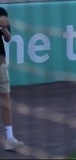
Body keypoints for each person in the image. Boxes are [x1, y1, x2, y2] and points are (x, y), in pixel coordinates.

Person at [0, 7, 24, 151]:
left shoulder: (2, 12)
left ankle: (10, 138)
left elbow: (8, 39)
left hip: (1, 66)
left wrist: (4, 28)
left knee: (5, 101)